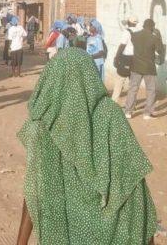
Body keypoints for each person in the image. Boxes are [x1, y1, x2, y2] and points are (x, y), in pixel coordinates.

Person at [16, 48, 157, 245]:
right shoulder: (110, 115)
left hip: (62, 233)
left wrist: (20, 242)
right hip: (110, 233)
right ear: (90, 77)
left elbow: (33, 191)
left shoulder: (44, 123)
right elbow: (134, 186)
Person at [124, 19, 165, 120]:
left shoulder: (135, 35)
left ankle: (128, 112)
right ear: (152, 27)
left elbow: (134, 42)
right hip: (149, 68)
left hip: (136, 66)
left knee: (133, 89)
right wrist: (158, 37)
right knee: (151, 90)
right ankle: (147, 113)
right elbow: (160, 50)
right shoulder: (154, 38)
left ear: (143, 25)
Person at [112, 16, 139, 102]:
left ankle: (114, 103)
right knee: (133, 84)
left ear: (128, 22)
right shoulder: (139, 32)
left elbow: (122, 46)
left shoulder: (126, 32)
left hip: (126, 59)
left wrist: (116, 58)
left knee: (120, 82)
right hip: (135, 59)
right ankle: (132, 105)